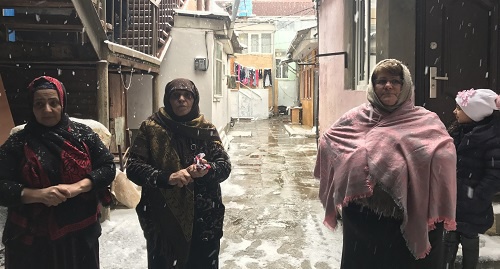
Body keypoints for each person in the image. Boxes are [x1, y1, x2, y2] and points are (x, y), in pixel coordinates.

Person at [314, 59, 458, 268]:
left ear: (405, 85)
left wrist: (421, 165)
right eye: (381, 81)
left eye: (395, 81)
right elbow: (330, 141)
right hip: (364, 219)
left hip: (413, 213)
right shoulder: (355, 118)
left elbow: (445, 153)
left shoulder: (426, 121)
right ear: (373, 86)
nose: (388, 86)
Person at [0, 76, 116, 268]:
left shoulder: (82, 135)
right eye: (39, 104)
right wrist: (37, 195)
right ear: (32, 106)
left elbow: (107, 167)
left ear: (62, 103)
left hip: (80, 236)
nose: (47, 110)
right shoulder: (19, 142)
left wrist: (77, 188)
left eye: (53, 103)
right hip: (33, 241)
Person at [126, 78, 231, 269]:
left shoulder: (206, 130)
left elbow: (224, 166)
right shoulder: (151, 128)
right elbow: (133, 167)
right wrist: (167, 177)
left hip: (204, 222)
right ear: (168, 99)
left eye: (187, 95)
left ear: (194, 100)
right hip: (164, 221)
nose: (181, 100)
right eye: (176, 95)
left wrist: (207, 170)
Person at [442, 88, 500, 269]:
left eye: (459, 108)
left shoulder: (490, 138)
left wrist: (476, 195)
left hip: (473, 200)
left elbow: (495, 174)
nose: (454, 112)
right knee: (449, 237)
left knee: (469, 238)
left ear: (473, 113)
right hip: (453, 198)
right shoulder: (457, 131)